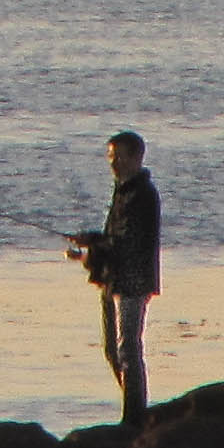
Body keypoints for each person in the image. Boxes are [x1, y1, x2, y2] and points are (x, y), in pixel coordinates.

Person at [65, 131, 161, 426]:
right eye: (111, 157)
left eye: (119, 157)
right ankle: (134, 408)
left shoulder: (142, 194)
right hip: (114, 279)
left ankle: (134, 415)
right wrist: (90, 247)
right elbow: (114, 237)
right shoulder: (123, 191)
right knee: (112, 350)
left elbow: (126, 241)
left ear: (136, 157)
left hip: (133, 282)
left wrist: (91, 247)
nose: (114, 163)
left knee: (127, 347)